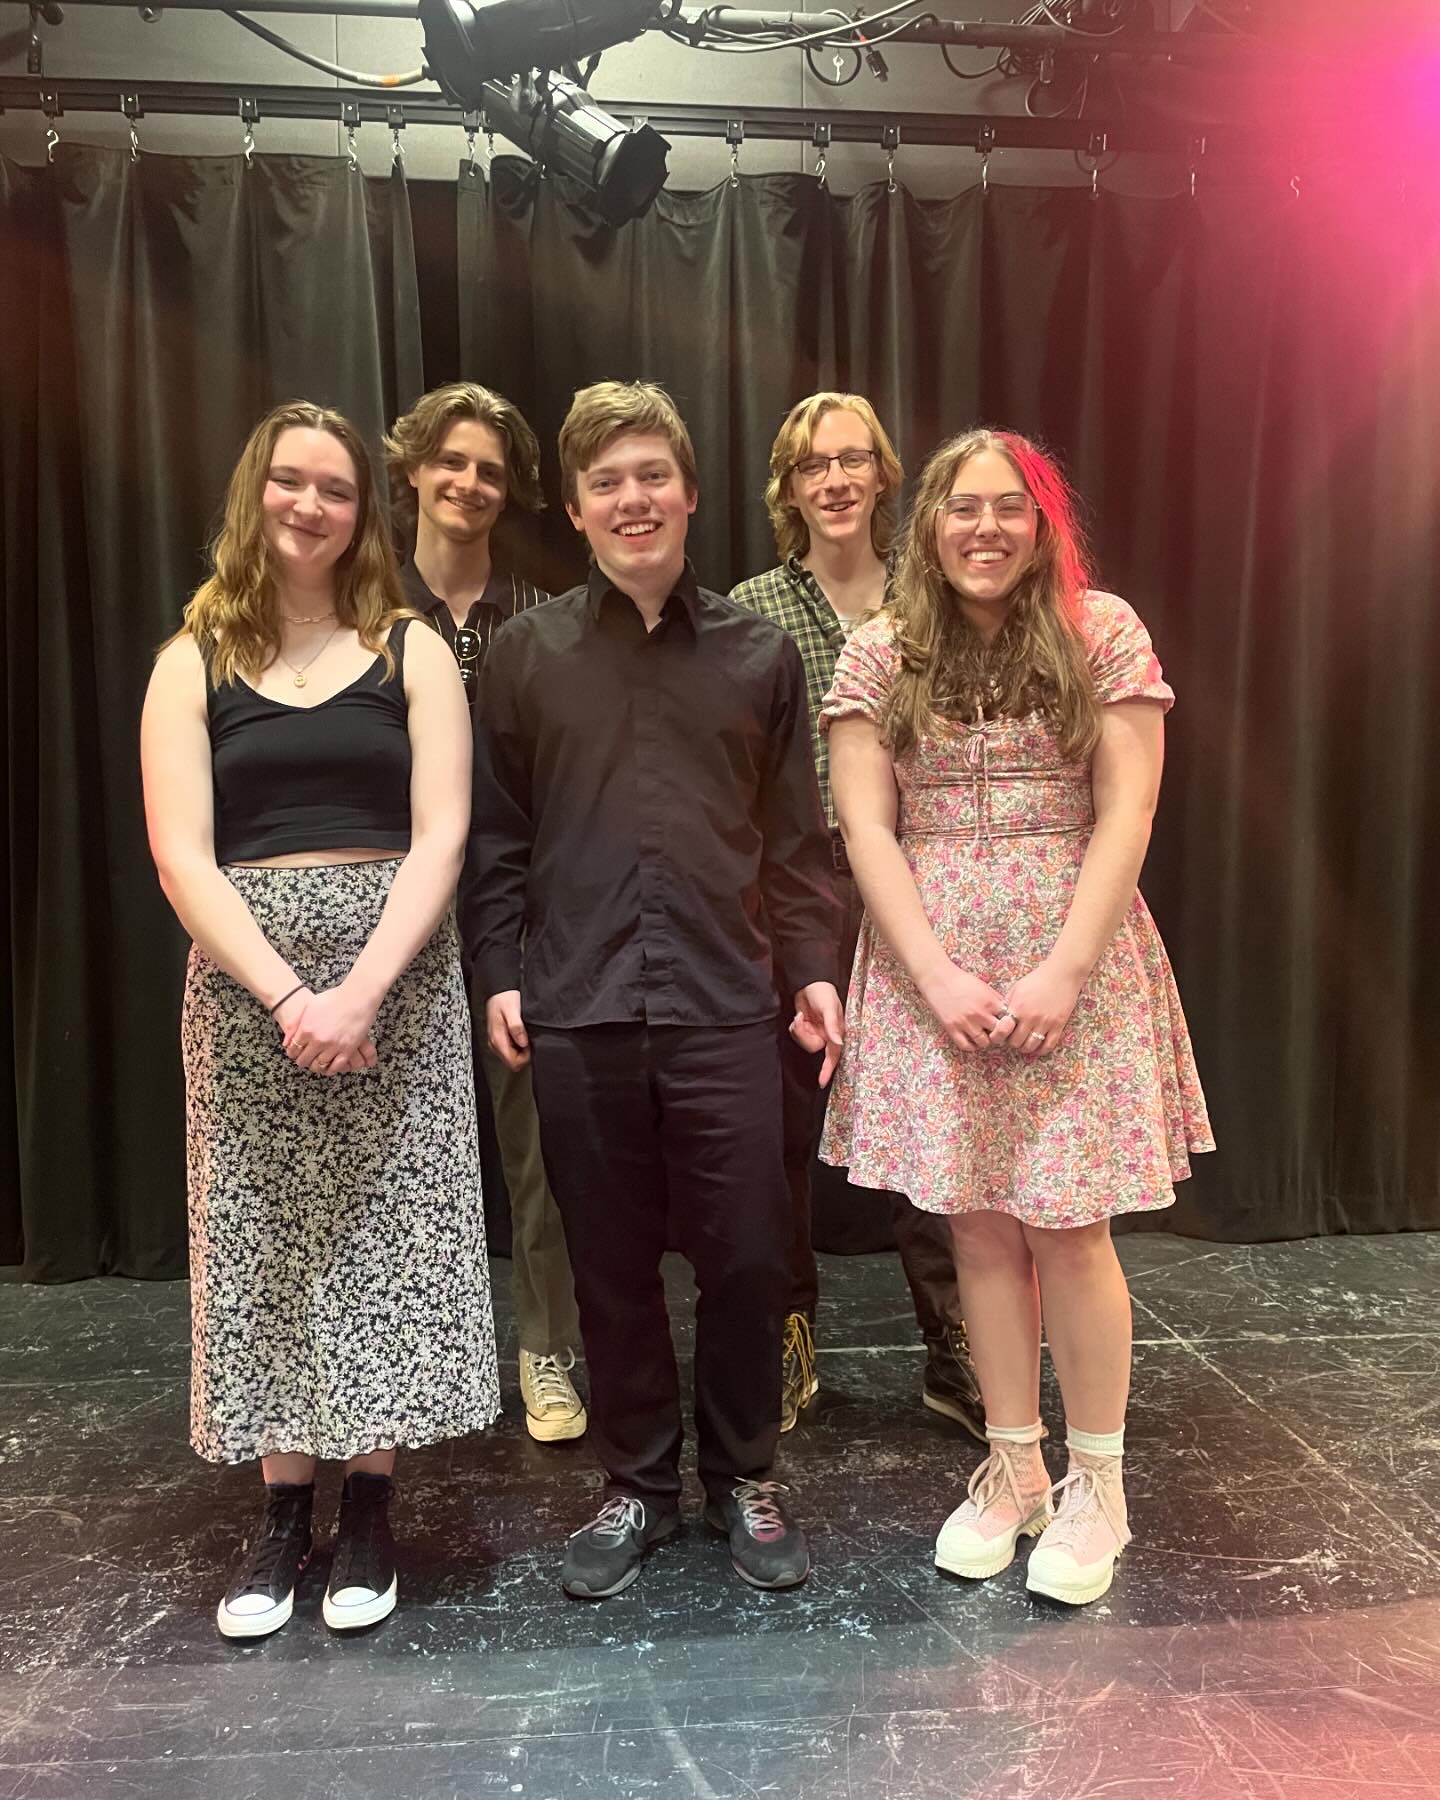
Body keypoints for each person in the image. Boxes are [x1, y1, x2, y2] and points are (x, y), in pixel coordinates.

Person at [820, 428, 1213, 1606]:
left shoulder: (1104, 633)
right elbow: (867, 826)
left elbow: (1128, 809)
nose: (983, 529)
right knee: (979, 1228)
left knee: (1068, 1225)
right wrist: (934, 976)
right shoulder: (879, 650)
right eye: (961, 508)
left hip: (1069, 952)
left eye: (1009, 508)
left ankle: (1100, 1483)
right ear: (927, 525)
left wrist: (1064, 971)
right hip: (932, 960)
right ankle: (1013, 1469)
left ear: (1043, 525)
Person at [465, 380, 844, 1600]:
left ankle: (742, 1477)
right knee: (610, 1267)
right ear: (576, 510)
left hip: (731, 1008)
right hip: (576, 1009)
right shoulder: (525, 657)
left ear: (690, 492)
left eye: (652, 476)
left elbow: (797, 847)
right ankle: (634, 1484)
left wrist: (820, 976)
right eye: (606, 483)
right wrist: (499, 975)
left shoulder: (760, 651)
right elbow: (497, 841)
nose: (633, 500)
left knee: (743, 1258)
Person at [141, 400, 499, 1640]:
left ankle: (368, 1510)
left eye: (336, 489)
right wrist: (293, 995)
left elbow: (444, 833)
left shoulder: (413, 648)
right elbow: (183, 857)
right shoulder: (193, 655)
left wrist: (362, 991)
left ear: (365, 512)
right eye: (291, 482)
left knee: (387, 1245)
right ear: (257, 493)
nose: (311, 505)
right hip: (251, 1001)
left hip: (394, 987)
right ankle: (282, 1510)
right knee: (268, 1245)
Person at [730, 392, 983, 1439]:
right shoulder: (745, 610)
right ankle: (790, 1343)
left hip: (918, 890)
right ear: (788, 489)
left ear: (884, 477)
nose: (833, 480)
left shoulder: (935, 604)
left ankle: (953, 1348)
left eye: (852, 460)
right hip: (792, 889)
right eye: (810, 465)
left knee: (934, 1122)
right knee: (784, 1125)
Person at [385, 382, 586, 1445]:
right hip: (394, 914)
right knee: (402, 1146)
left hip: (519, 911)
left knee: (539, 1148)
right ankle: (420, 1356)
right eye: (450, 462)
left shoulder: (542, 623)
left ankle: (548, 1350)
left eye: (491, 471)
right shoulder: (365, 610)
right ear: (413, 468)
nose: (467, 484)